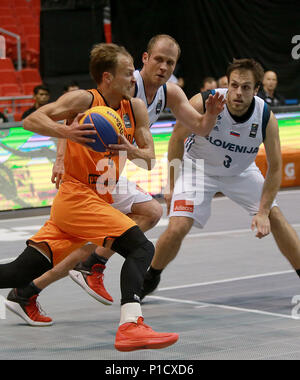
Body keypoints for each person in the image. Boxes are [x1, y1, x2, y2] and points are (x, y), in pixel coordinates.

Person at [1, 42, 180, 352]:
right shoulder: (84, 99)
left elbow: (149, 159)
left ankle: (33, 290)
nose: (132, 79)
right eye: (127, 74)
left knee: (20, 271)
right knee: (140, 247)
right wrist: (66, 133)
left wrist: (131, 149)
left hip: (99, 196)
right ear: (107, 78)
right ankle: (130, 325)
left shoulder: (133, 107)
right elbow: (31, 120)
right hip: (78, 195)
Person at [43, 34, 225, 307]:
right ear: (145, 59)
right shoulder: (125, 83)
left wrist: (211, 114)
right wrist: (59, 158)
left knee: (138, 218)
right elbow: (76, 115)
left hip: (111, 173)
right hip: (87, 174)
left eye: (170, 63)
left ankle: (36, 287)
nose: (164, 67)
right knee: (86, 240)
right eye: (159, 60)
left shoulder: (170, 93)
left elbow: (199, 127)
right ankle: (73, 272)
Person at [141, 58, 300, 299]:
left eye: (246, 87)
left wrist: (264, 210)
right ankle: (151, 275)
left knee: (276, 217)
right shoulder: (204, 101)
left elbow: (276, 168)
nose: (238, 92)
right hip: (197, 169)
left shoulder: (265, 117)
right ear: (227, 84)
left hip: (241, 172)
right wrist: (172, 185)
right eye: (234, 85)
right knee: (178, 227)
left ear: (256, 90)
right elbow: (176, 140)